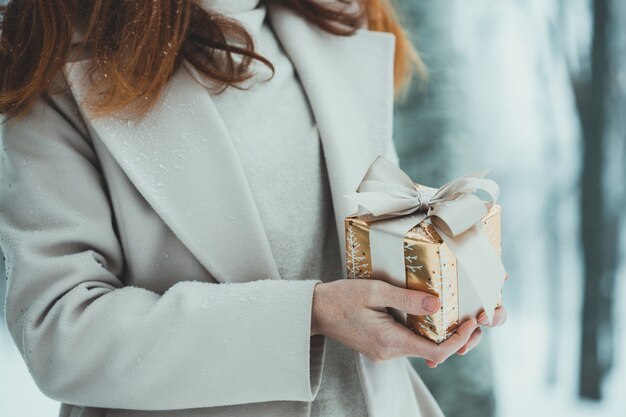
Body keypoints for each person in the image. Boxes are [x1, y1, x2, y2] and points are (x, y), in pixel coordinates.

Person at [0, 0, 507, 416]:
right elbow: (60, 334)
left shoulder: (336, 25)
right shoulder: (57, 61)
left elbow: (361, 240)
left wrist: (439, 284)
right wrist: (309, 313)